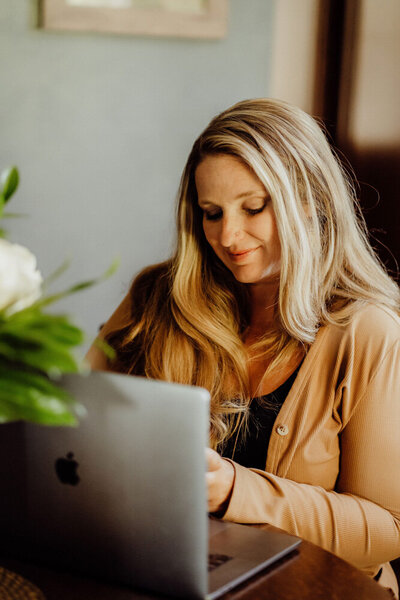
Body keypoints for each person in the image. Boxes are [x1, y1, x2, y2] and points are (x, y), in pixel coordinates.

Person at [86, 99, 400, 597]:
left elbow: (386, 529)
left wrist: (235, 489)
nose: (229, 236)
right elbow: (71, 429)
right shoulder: (155, 298)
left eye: (254, 207)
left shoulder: (367, 332)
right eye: (212, 213)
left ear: (312, 200)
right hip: (167, 577)